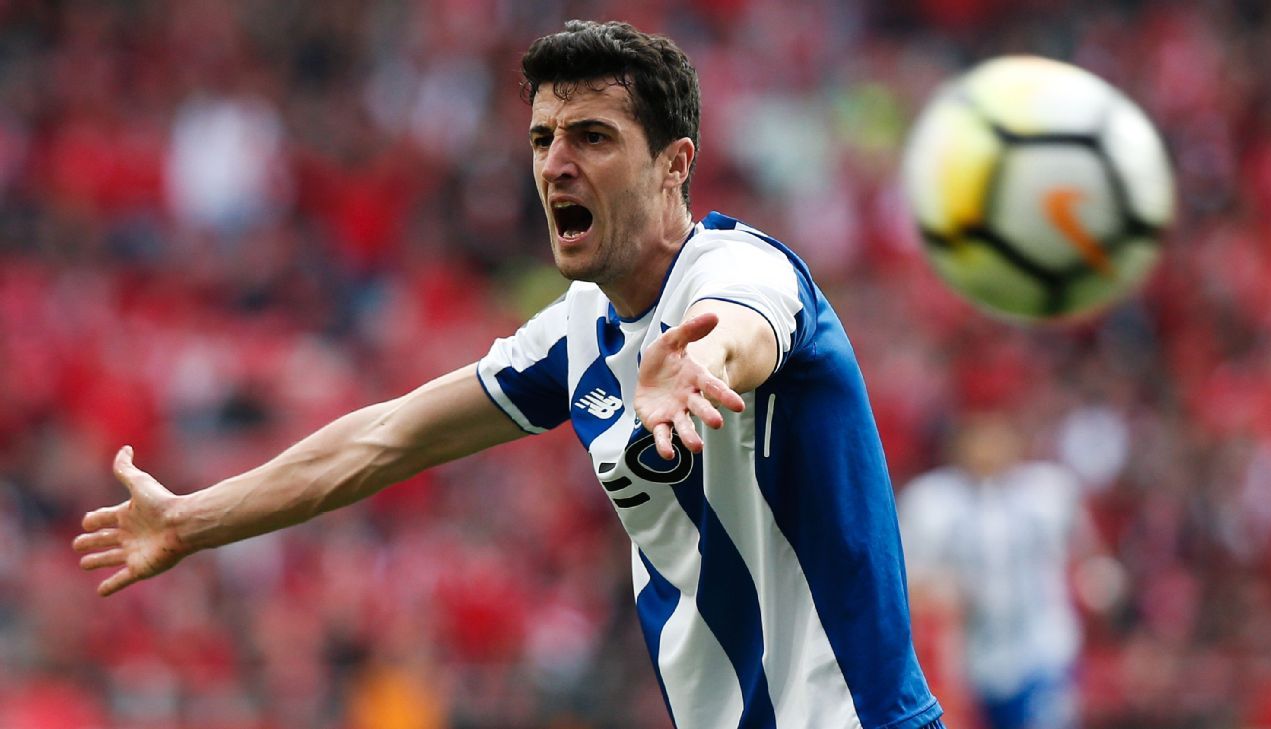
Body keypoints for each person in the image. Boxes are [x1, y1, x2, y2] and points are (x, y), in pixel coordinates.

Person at [75, 20, 943, 729]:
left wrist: (696, 366)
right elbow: (385, 438)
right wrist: (190, 521)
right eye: (542, 138)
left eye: (593, 137)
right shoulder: (576, 333)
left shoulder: (743, 269)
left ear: (674, 164)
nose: (556, 162)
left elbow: (740, 332)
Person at [899, 412, 1089, 729]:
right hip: (966, 661)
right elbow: (907, 583)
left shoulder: (1049, 491)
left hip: (1042, 647)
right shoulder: (931, 500)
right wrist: (944, 591)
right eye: (979, 437)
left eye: (997, 436)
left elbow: (1086, 553)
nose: (988, 449)